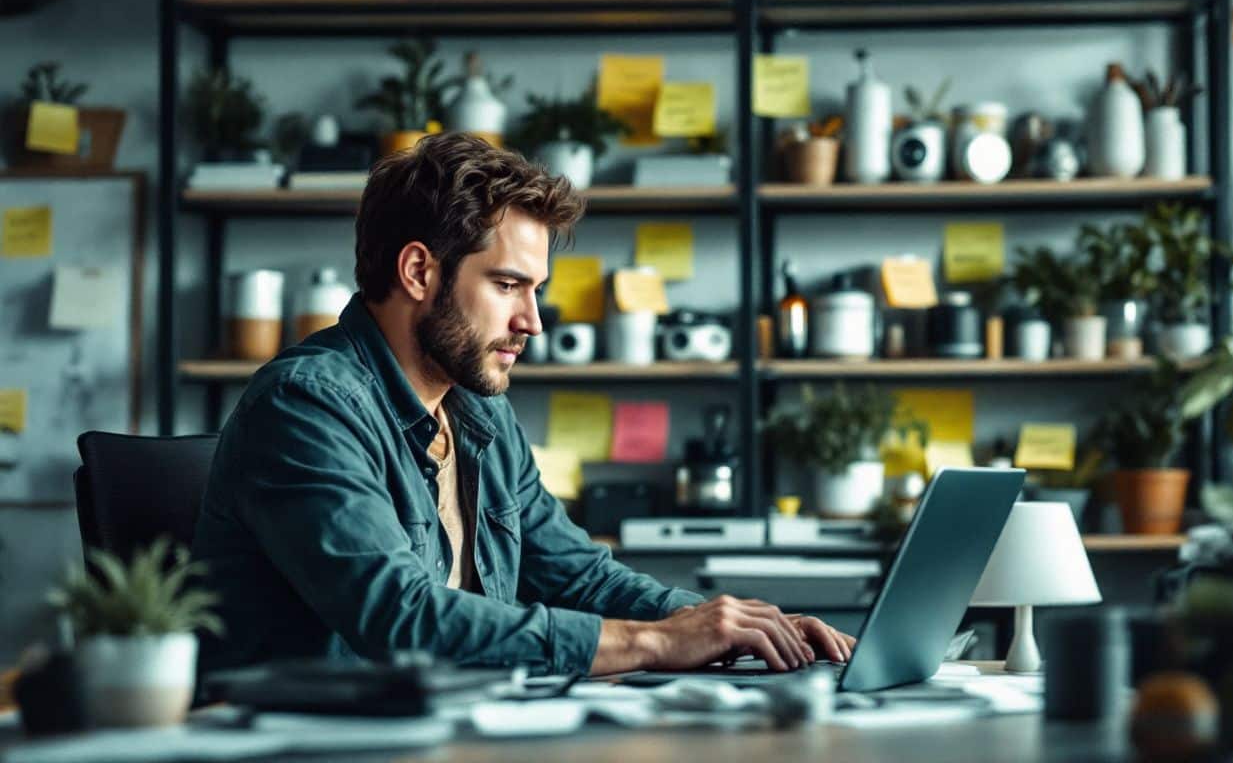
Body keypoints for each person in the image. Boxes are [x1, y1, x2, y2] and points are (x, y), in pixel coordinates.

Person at [192, 133, 854, 678]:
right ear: (419, 272)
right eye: (508, 285)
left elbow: (579, 578)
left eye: (535, 290)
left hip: (455, 732)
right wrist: (654, 642)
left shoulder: (477, 412)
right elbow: (401, 619)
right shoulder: (307, 405)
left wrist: (728, 626)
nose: (532, 322)